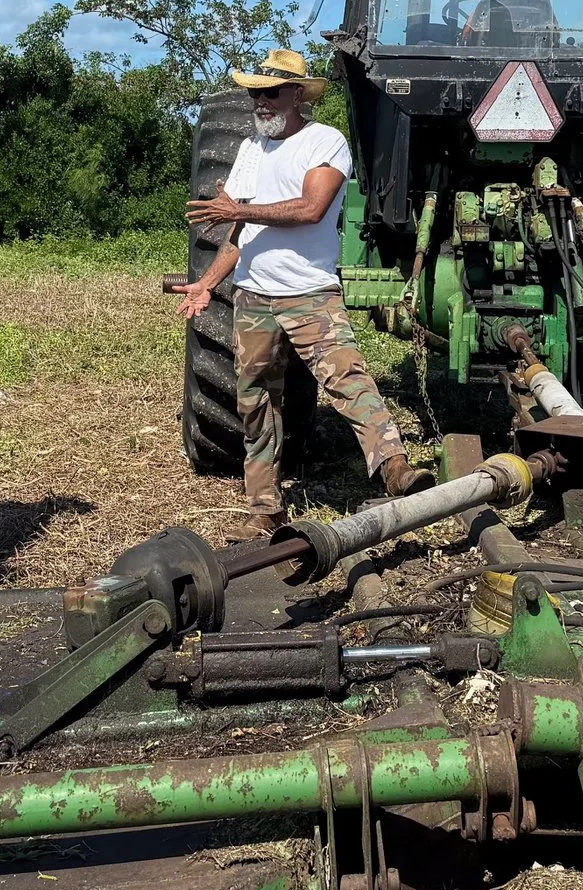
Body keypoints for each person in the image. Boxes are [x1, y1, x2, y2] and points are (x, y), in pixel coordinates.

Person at [179, 48, 430, 530]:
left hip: (309, 295)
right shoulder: (251, 149)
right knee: (255, 404)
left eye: (270, 92)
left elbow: (311, 208)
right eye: (255, 93)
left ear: (297, 94)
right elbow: (239, 235)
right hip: (253, 298)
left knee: (347, 379)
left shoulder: (325, 142)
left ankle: (395, 470)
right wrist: (208, 284)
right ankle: (265, 511)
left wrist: (240, 213)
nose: (261, 102)